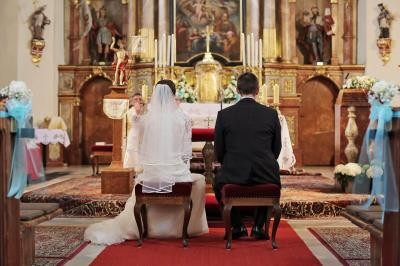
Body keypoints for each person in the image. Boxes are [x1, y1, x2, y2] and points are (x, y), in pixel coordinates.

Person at [84, 80, 209, 244]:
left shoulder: (148, 119)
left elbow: (143, 147)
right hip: (177, 171)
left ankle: (147, 229)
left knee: (140, 184)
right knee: (200, 181)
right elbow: (186, 154)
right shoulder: (184, 118)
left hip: (151, 172)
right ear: (174, 95)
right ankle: (184, 229)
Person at [213, 72, 281, 240]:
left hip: (233, 172)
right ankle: (258, 226)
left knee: (218, 183)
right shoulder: (271, 114)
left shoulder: (224, 115)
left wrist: (229, 163)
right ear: (258, 91)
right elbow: (276, 148)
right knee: (272, 180)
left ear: (237, 90)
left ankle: (237, 226)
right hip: (266, 171)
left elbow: (219, 150)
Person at [123, 93, 145, 168]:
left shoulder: (146, 111)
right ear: (132, 102)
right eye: (136, 99)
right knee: (133, 153)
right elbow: (134, 123)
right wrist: (138, 112)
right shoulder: (129, 112)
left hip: (143, 135)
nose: (138, 101)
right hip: (134, 135)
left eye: (140, 99)